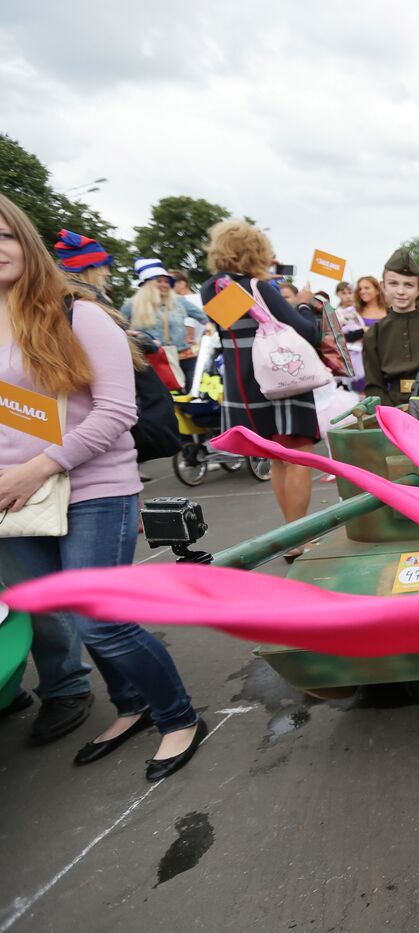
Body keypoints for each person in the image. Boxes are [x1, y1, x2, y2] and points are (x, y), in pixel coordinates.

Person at [0, 193, 207, 777]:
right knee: (64, 607)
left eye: (4, 234)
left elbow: (116, 412)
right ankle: (132, 704)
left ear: (26, 240)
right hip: (13, 500)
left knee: (102, 618)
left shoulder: (77, 314)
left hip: (93, 485)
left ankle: (178, 716)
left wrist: (38, 467)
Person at [201, 221, 321, 559]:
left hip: (244, 384)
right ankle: (300, 537)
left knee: (277, 459)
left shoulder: (211, 288)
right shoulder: (259, 287)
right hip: (281, 378)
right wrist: (305, 304)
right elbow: (304, 331)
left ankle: (289, 534)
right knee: (298, 456)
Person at [362, 249, 419, 408]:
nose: (401, 291)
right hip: (392, 408)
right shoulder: (374, 333)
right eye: (393, 283)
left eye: (408, 285)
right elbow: (374, 386)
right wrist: (393, 413)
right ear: (383, 286)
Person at [120, 258, 209, 390]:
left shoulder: (180, 301)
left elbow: (204, 318)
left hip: (186, 360)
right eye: (159, 281)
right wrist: (132, 337)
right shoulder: (131, 305)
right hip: (153, 362)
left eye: (167, 281)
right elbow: (117, 328)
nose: (164, 285)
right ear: (148, 283)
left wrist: (207, 330)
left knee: (191, 398)